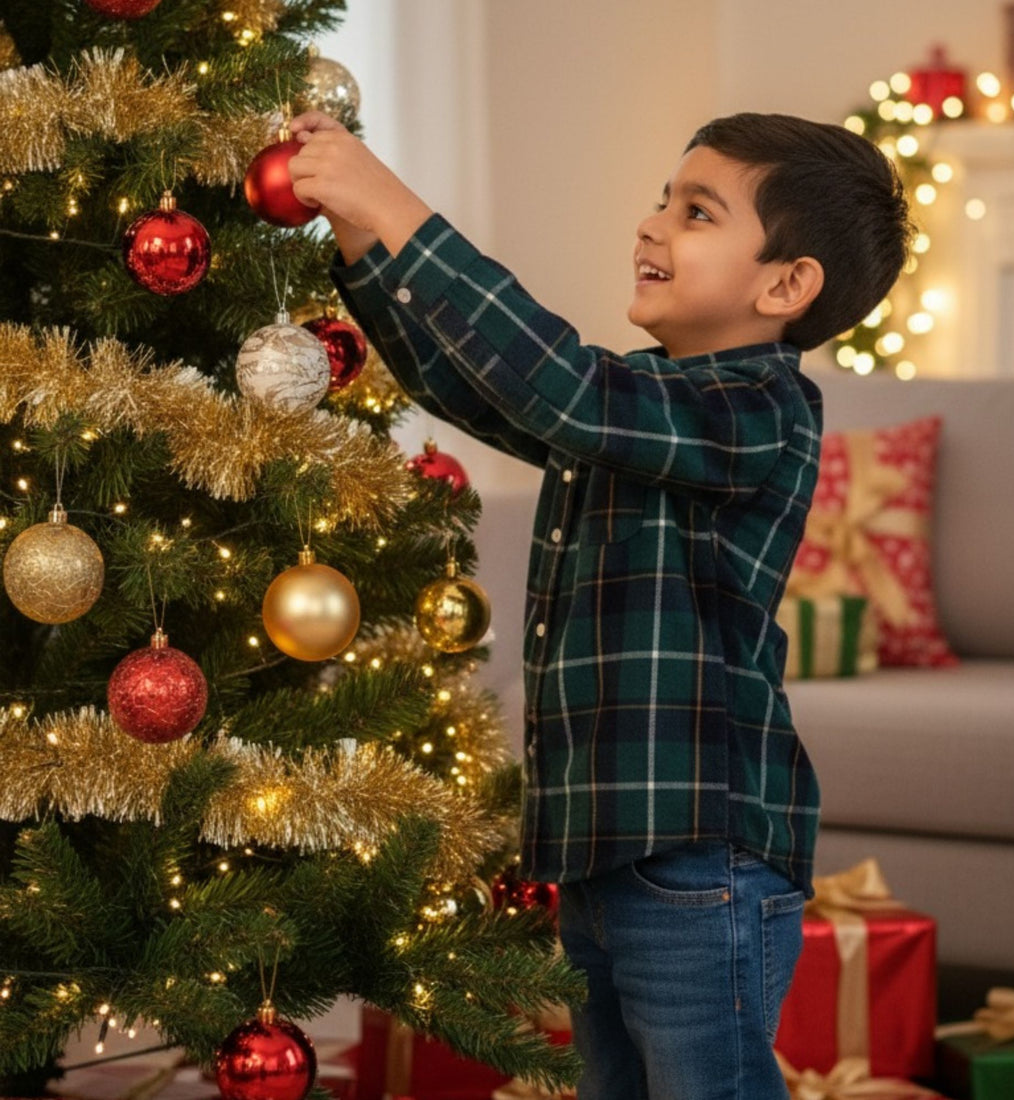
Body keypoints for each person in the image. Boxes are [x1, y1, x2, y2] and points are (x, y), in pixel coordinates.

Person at [288, 109, 913, 1100]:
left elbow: (561, 387)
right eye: (664, 198)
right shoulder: (638, 406)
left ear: (785, 284)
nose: (652, 224)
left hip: (698, 850)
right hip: (601, 848)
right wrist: (368, 247)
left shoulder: (756, 412)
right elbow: (485, 392)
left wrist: (400, 210)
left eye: (696, 212)